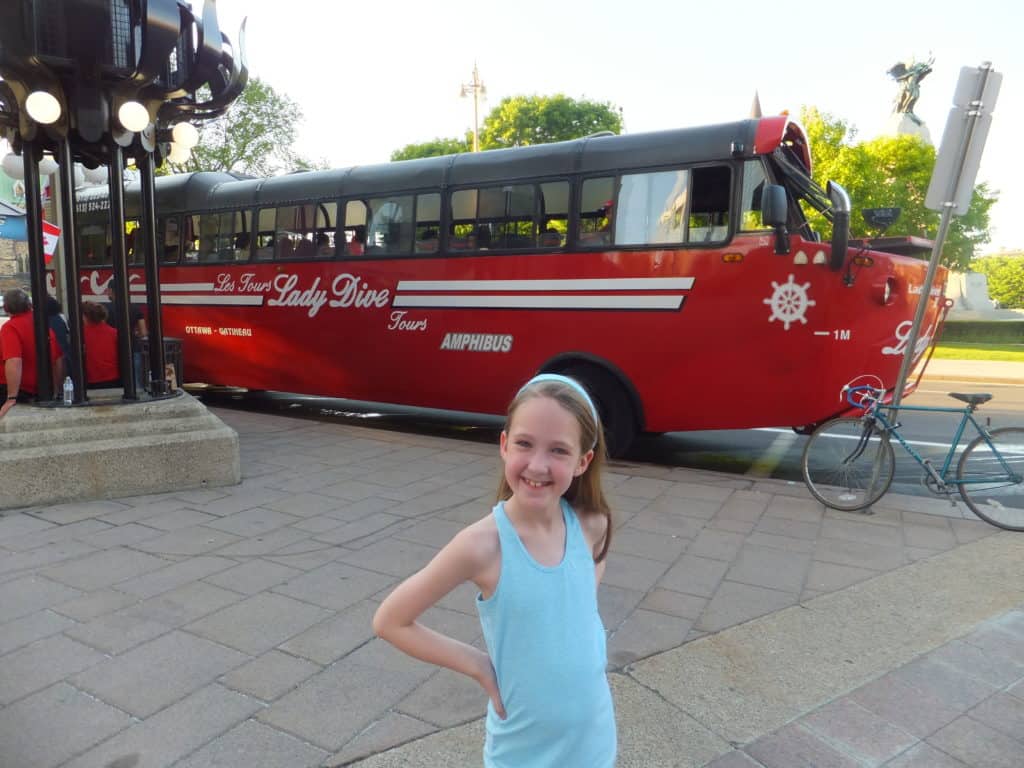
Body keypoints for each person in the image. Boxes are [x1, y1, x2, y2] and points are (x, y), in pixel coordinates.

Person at [373, 374, 616, 768]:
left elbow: (583, 590)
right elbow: (390, 620)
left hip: (594, 743)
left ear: (582, 461)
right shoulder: (483, 545)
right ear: (504, 445)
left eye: (558, 450)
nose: (537, 464)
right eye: (524, 443)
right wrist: (480, 666)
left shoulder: (591, 524)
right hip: (523, 753)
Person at [1, 288, 62, 418]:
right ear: (29, 305)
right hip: (41, 389)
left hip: (17, 390)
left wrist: (11, 397)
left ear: (6, 308)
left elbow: (14, 360)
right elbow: (58, 361)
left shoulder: (10, 328)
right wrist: (56, 390)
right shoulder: (43, 326)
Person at [105, 276, 147, 389]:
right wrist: (134, 334)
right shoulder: (135, 308)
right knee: (136, 383)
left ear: (110, 291)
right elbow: (143, 332)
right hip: (133, 348)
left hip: (113, 350)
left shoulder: (105, 309)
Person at [82, 301, 120, 387]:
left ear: (85, 316)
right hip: (113, 377)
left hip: (90, 378)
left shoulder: (81, 334)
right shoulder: (114, 332)